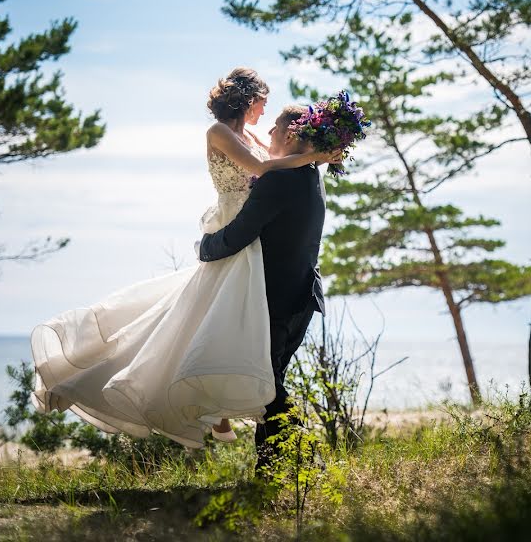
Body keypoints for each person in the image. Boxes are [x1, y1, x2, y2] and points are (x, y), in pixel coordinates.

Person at [29, 68, 337, 447]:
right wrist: (315, 158)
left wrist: (311, 157)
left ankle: (223, 417)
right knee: (202, 323)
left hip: (250, 242)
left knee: (220, 327)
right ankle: (219, 417)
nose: (264, 113)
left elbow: (275, 159)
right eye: (262, 102)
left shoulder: (257, 138)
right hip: (233, 228)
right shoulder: (218, 133)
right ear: (247, 98)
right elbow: (261, 168)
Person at [199, 104, 327, 472]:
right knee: (269, 383)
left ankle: (299, 465)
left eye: (274, 127)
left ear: (289, 134)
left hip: (275, 296)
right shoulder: (311, 174)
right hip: (302, 295)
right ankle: (274, 469)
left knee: (268, 385)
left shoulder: (281, 178)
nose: (266, 133)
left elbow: (241, 233)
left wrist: (205, 248)